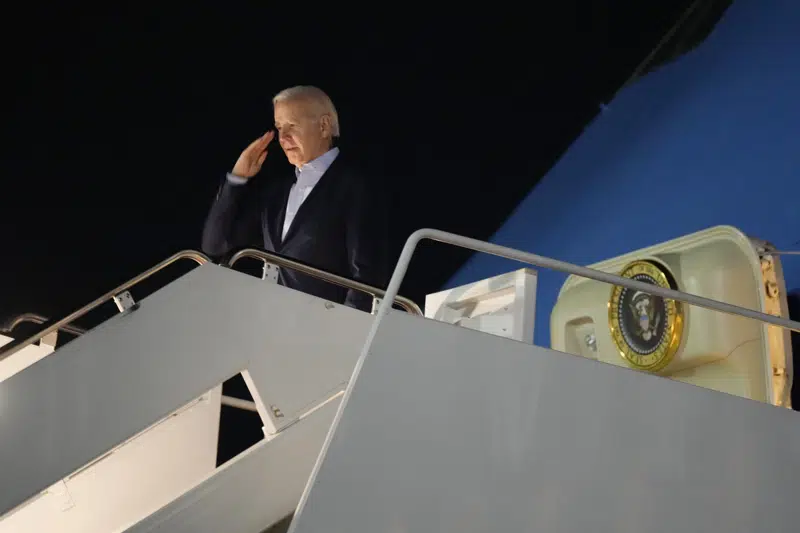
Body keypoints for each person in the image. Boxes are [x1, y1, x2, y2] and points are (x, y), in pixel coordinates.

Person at [202, 85, 388, 312]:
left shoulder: (356, 186)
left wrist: (344, 331)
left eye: (292, 125)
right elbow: (216, 244)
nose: (282, 137)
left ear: (324, 126)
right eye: (279, 127)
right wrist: (237, 180)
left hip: (327, 330)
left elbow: (367, 275)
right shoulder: (275, 195)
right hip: (273, 323)